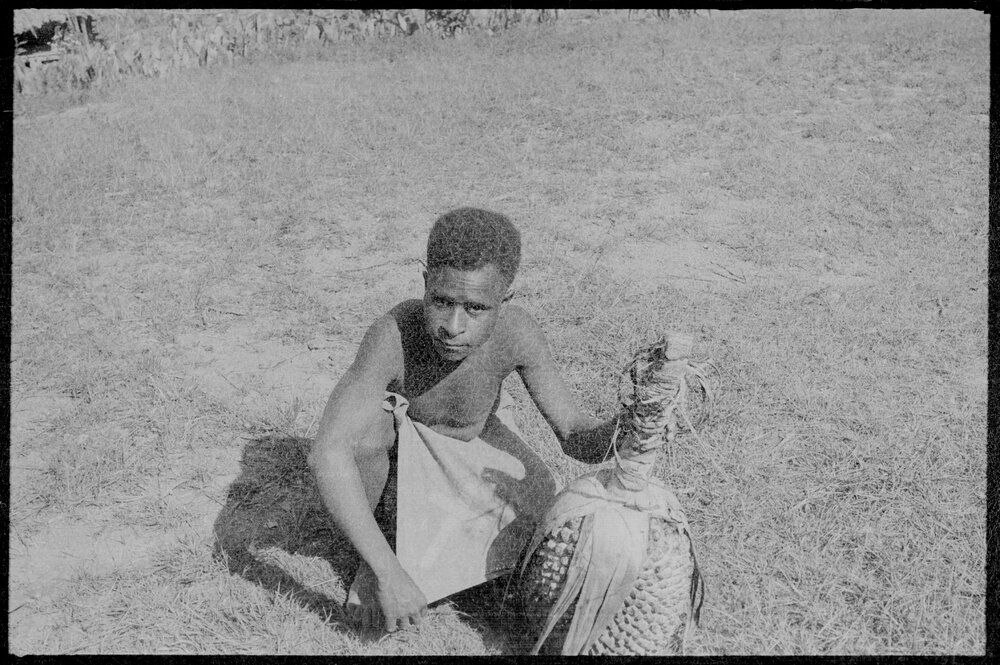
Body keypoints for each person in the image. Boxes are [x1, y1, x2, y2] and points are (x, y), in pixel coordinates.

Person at [308, 207, 618, 633]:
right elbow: (328, 452)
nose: (452, 326)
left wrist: (631, 426)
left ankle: (429, 546)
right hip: (406, 452)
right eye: (441, 301)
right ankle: (377, 553)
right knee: (363, 433)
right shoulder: (393, 334)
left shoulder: (518, 333)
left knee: (534, 526)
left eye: (475, 308)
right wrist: (386, 572)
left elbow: (574, 435)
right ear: (424, 280)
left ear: (505, 301)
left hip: (470, 450)